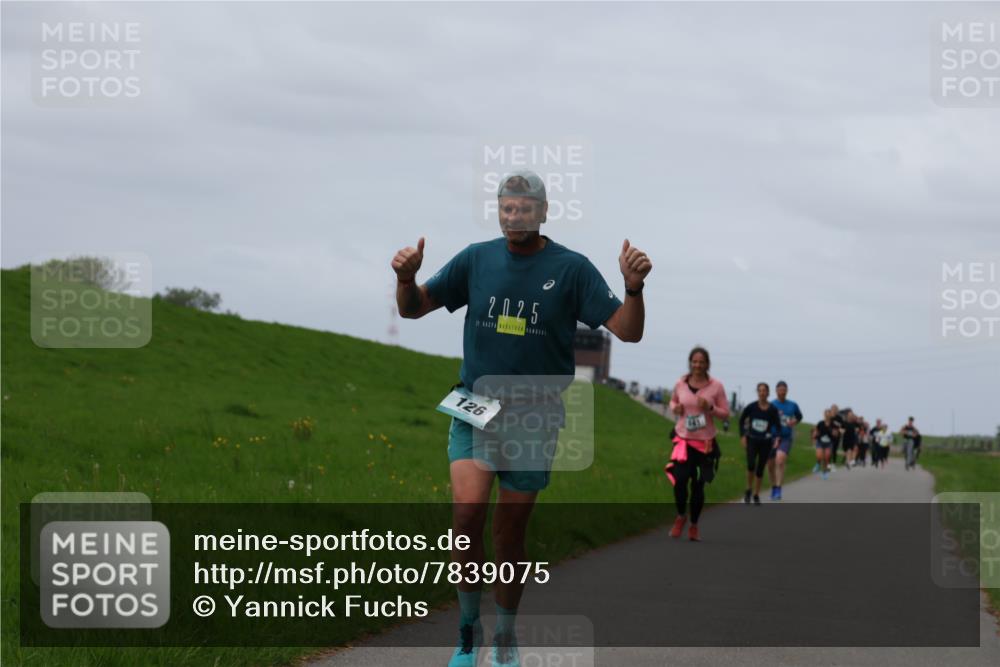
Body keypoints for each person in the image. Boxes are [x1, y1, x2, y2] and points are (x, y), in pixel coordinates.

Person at [391, 170, 652, 667]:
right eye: (506, 208)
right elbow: (414, 309)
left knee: (509, 534)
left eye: (523, 209)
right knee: (466, 518)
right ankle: (468, 633)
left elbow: (628, 331)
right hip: (475, 405)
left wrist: (633, 288)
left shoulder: (571, 269)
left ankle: (505, 636)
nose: (513, 217)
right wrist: (405, 279)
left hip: (534, 417)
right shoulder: (476, 259)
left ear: (544, 212)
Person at [665, 347, 730, 541]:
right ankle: (680, 516)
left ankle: (693, 525)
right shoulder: (681, 383)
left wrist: (710, 408)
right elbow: (673, 401)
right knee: (680, 481)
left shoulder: (716, 386)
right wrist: (674, 408)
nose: (698, 365)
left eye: (701, 362)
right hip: (683, 440)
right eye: (694, 361)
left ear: (707, 364)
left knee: (698, 487)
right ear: (690, 363)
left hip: (705, 444)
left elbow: (725, 413)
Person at [739, 382, 782, 505]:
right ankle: (748, 489)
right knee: (751, 464)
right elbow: (741, 420)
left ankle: (756, 494)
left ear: (768, 393)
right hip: (752, 440)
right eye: (760, 390)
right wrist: (743, 435)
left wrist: (777, 439)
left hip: (766, 442)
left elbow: (778, 427)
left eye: (764, 390)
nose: (762, 393)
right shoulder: (751, 407)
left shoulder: (773, 410)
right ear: (757, 392)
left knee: (760, 469)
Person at [768, 380, 802, 500]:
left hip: (786, 437)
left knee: (780, 460)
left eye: (784, 390)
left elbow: (799, 416)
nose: (782, 392)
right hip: (771, 437)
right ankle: (773, 486)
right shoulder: (771, 405)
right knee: (770, 466)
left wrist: (794, 422)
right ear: (776, 391)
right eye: (780, 390)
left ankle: (778, 488)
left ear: (787, 391)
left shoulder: (792, 405)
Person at [812, 409, 840, 480]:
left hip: (829, 443)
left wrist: (834, 432)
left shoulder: (834, 425)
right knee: (819, 456)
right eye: (826, 414)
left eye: (829, 414)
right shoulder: (820, 423)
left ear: (831, 415)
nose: (827, 415)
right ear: (824, 415)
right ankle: (818, 464)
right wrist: (814, 437)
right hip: (820, 442)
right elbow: (816, 431)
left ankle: (825, 473)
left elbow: (836, 434)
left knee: (827, 458)